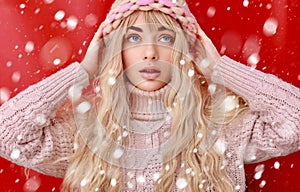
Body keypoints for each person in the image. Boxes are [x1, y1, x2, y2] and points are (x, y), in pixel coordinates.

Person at [0, 0, 299, 191]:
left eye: (165, 38)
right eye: (133, 38)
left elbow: (294, 121)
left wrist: (219, 68)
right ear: (115, 50)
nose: (150, 52)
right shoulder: (86, 133)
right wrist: (83, 71)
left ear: (186, 49)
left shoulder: (219, 128)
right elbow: (8, 134)